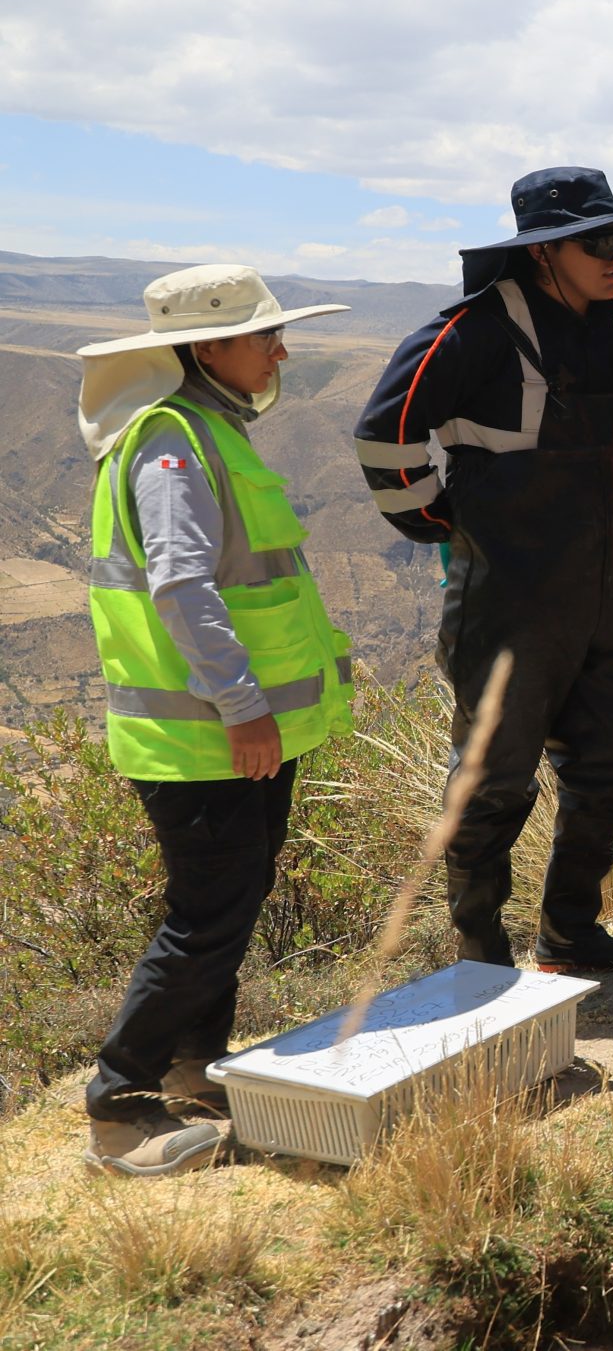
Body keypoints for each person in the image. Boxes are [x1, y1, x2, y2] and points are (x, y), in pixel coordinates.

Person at [354, 167, 613, 974]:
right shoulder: (474, 332)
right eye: (597, 241)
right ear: (541, 252)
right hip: (507, 595)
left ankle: (570, 933)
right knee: (494, 777)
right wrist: (442, 525)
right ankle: (482, 958)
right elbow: (384, 437)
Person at [75, 265, 355, 1176]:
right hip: (204, 738)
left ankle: (194, 1068)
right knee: (208, 915)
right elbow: (182, 587)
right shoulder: (172, 443)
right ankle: (119, 1106)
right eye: (264, 335)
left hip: (227, 734)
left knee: (233, 901)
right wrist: (243, 707)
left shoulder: (207, 429)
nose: (282, 351)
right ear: (207, 347)